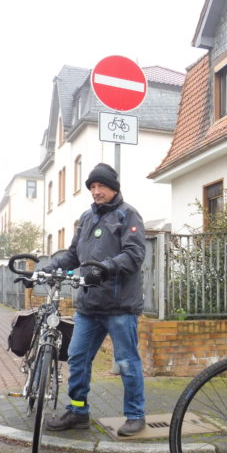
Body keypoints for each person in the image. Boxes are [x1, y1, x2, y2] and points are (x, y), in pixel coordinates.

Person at [44, 163, 147, 437]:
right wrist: (50, 267)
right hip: (89, 306)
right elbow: (73, 256)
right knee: (77, 358)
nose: (96, 191)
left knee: (127, 362)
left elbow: (134, 255)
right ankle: (78, 411)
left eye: (101, 186)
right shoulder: (87, 219)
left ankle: (136, 415)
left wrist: (106, 267)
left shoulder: (128, 216)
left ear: (114, 188)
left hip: (119, 307)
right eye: (92, 187)